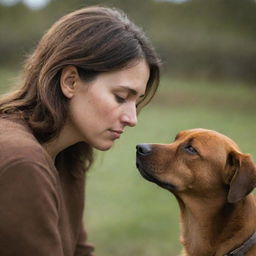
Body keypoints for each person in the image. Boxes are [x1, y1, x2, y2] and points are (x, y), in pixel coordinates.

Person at [0, 6, 160, 256]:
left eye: (136, 102)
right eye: (120, 97)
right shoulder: (23, 163)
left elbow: (78, 251)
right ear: (70, 81)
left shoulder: (68, 152)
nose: (132, 119)